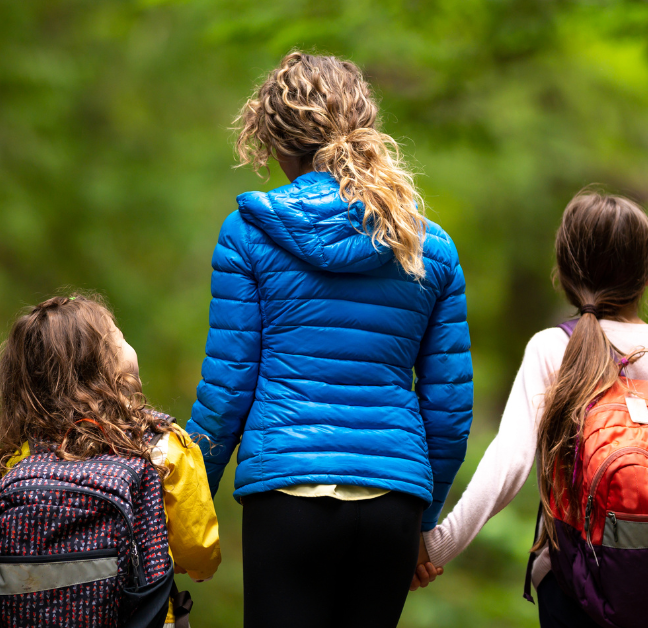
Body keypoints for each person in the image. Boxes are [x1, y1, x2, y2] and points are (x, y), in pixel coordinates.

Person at [186, 51, 473, 628]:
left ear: (271, 140)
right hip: (392, 501)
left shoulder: (249, 234)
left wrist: (189, 502)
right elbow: (448, 412)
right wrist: (423, 520)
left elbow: (227, 390)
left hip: (286, 492)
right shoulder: (429, 247)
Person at [417, 193, 648, 627]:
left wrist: (433, 547)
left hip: (575, 591)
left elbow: (508, 465)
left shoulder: (553, 348)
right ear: (646, 275)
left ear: (563, 272)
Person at [0, 293, 220, 628]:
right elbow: (199, 551)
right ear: (107, 366)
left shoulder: (19, 457)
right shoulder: (160, 445)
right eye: (119, 337)